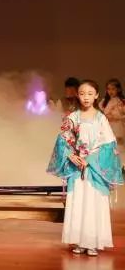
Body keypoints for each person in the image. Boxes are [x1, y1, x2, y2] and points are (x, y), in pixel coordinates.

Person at [47, 79, 123, 256]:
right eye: (82, 94)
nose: (86, 97)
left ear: (96, 95)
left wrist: (89, 159)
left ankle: (92, 242)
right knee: (78, 203)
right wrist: (70, 155)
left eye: (90, 94)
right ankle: (80, 241)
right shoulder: (73, 117)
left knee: (93, 204)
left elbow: (109, 144)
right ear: (78, 95)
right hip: (76, 168)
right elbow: (62, 140)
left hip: (94, 168)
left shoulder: (101, 118)